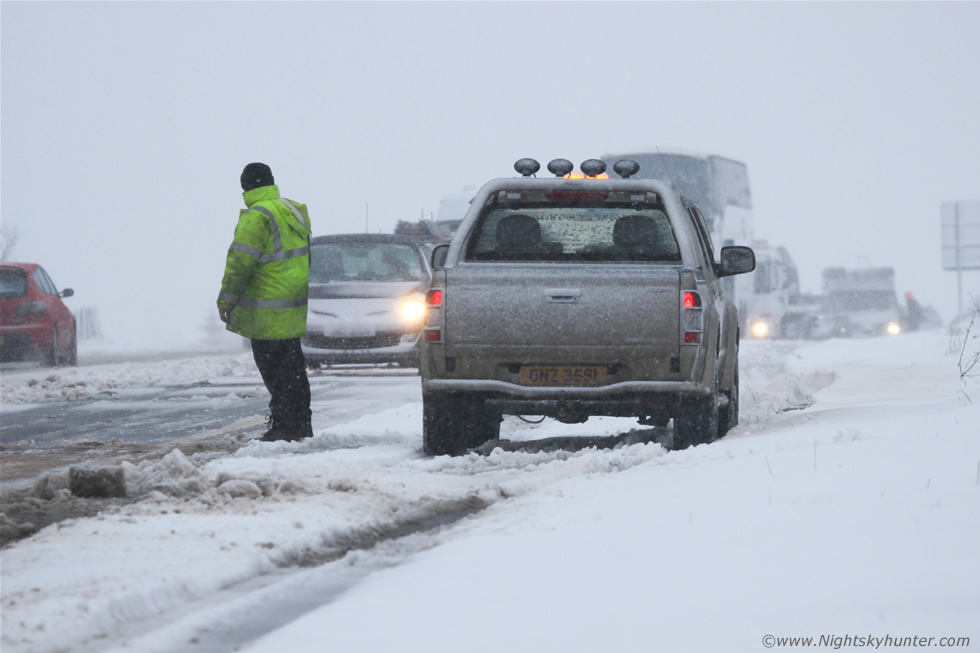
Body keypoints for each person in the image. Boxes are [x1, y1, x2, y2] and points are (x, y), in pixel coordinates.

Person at [217, 163, 314, 441]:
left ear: (245, 187)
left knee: (275, 371)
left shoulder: (257, 216)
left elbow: (240, 264)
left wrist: (226, 300)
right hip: (292, 307)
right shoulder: (291, 210)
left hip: (267, 312)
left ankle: (284, 428)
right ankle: (300, 425)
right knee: (294, 370)